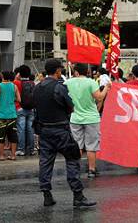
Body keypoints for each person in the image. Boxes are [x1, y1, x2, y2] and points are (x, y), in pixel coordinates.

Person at [35, 59, 95, 208]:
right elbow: (71, 107)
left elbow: (31, 104)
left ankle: (47, 195)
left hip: (44, 130)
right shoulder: (59, 87)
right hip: (60, 130)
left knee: (45, 163)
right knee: (73, 159)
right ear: (57, 71)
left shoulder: (37, 87)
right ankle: (78, 196)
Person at [66, 63, 110, 178]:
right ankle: (91, 170)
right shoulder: (91, 82)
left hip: (75, 117)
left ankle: (76, 169)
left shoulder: (68, 82)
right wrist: (106, 88)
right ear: (87, 72)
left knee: (77, 145)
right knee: (91, 146)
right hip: (91, 118)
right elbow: (99, 97)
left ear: (76, 72)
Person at [0, 70, 20, 160]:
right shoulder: (14, 86)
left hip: (2, 115)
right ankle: (13, 155)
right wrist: (11, 100)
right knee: (13, 136)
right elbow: (19, 99)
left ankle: (1, 155)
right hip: (12, 114)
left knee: (1, 136)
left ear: (2, 76)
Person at [16, 65, 36, 156]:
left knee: (21, 129)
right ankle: (31, 149)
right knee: (30, 129)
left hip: (20, 109)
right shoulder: (32, 83)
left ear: (20, 73)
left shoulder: (18, 83)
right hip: (31, 108)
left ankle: (21, 149)